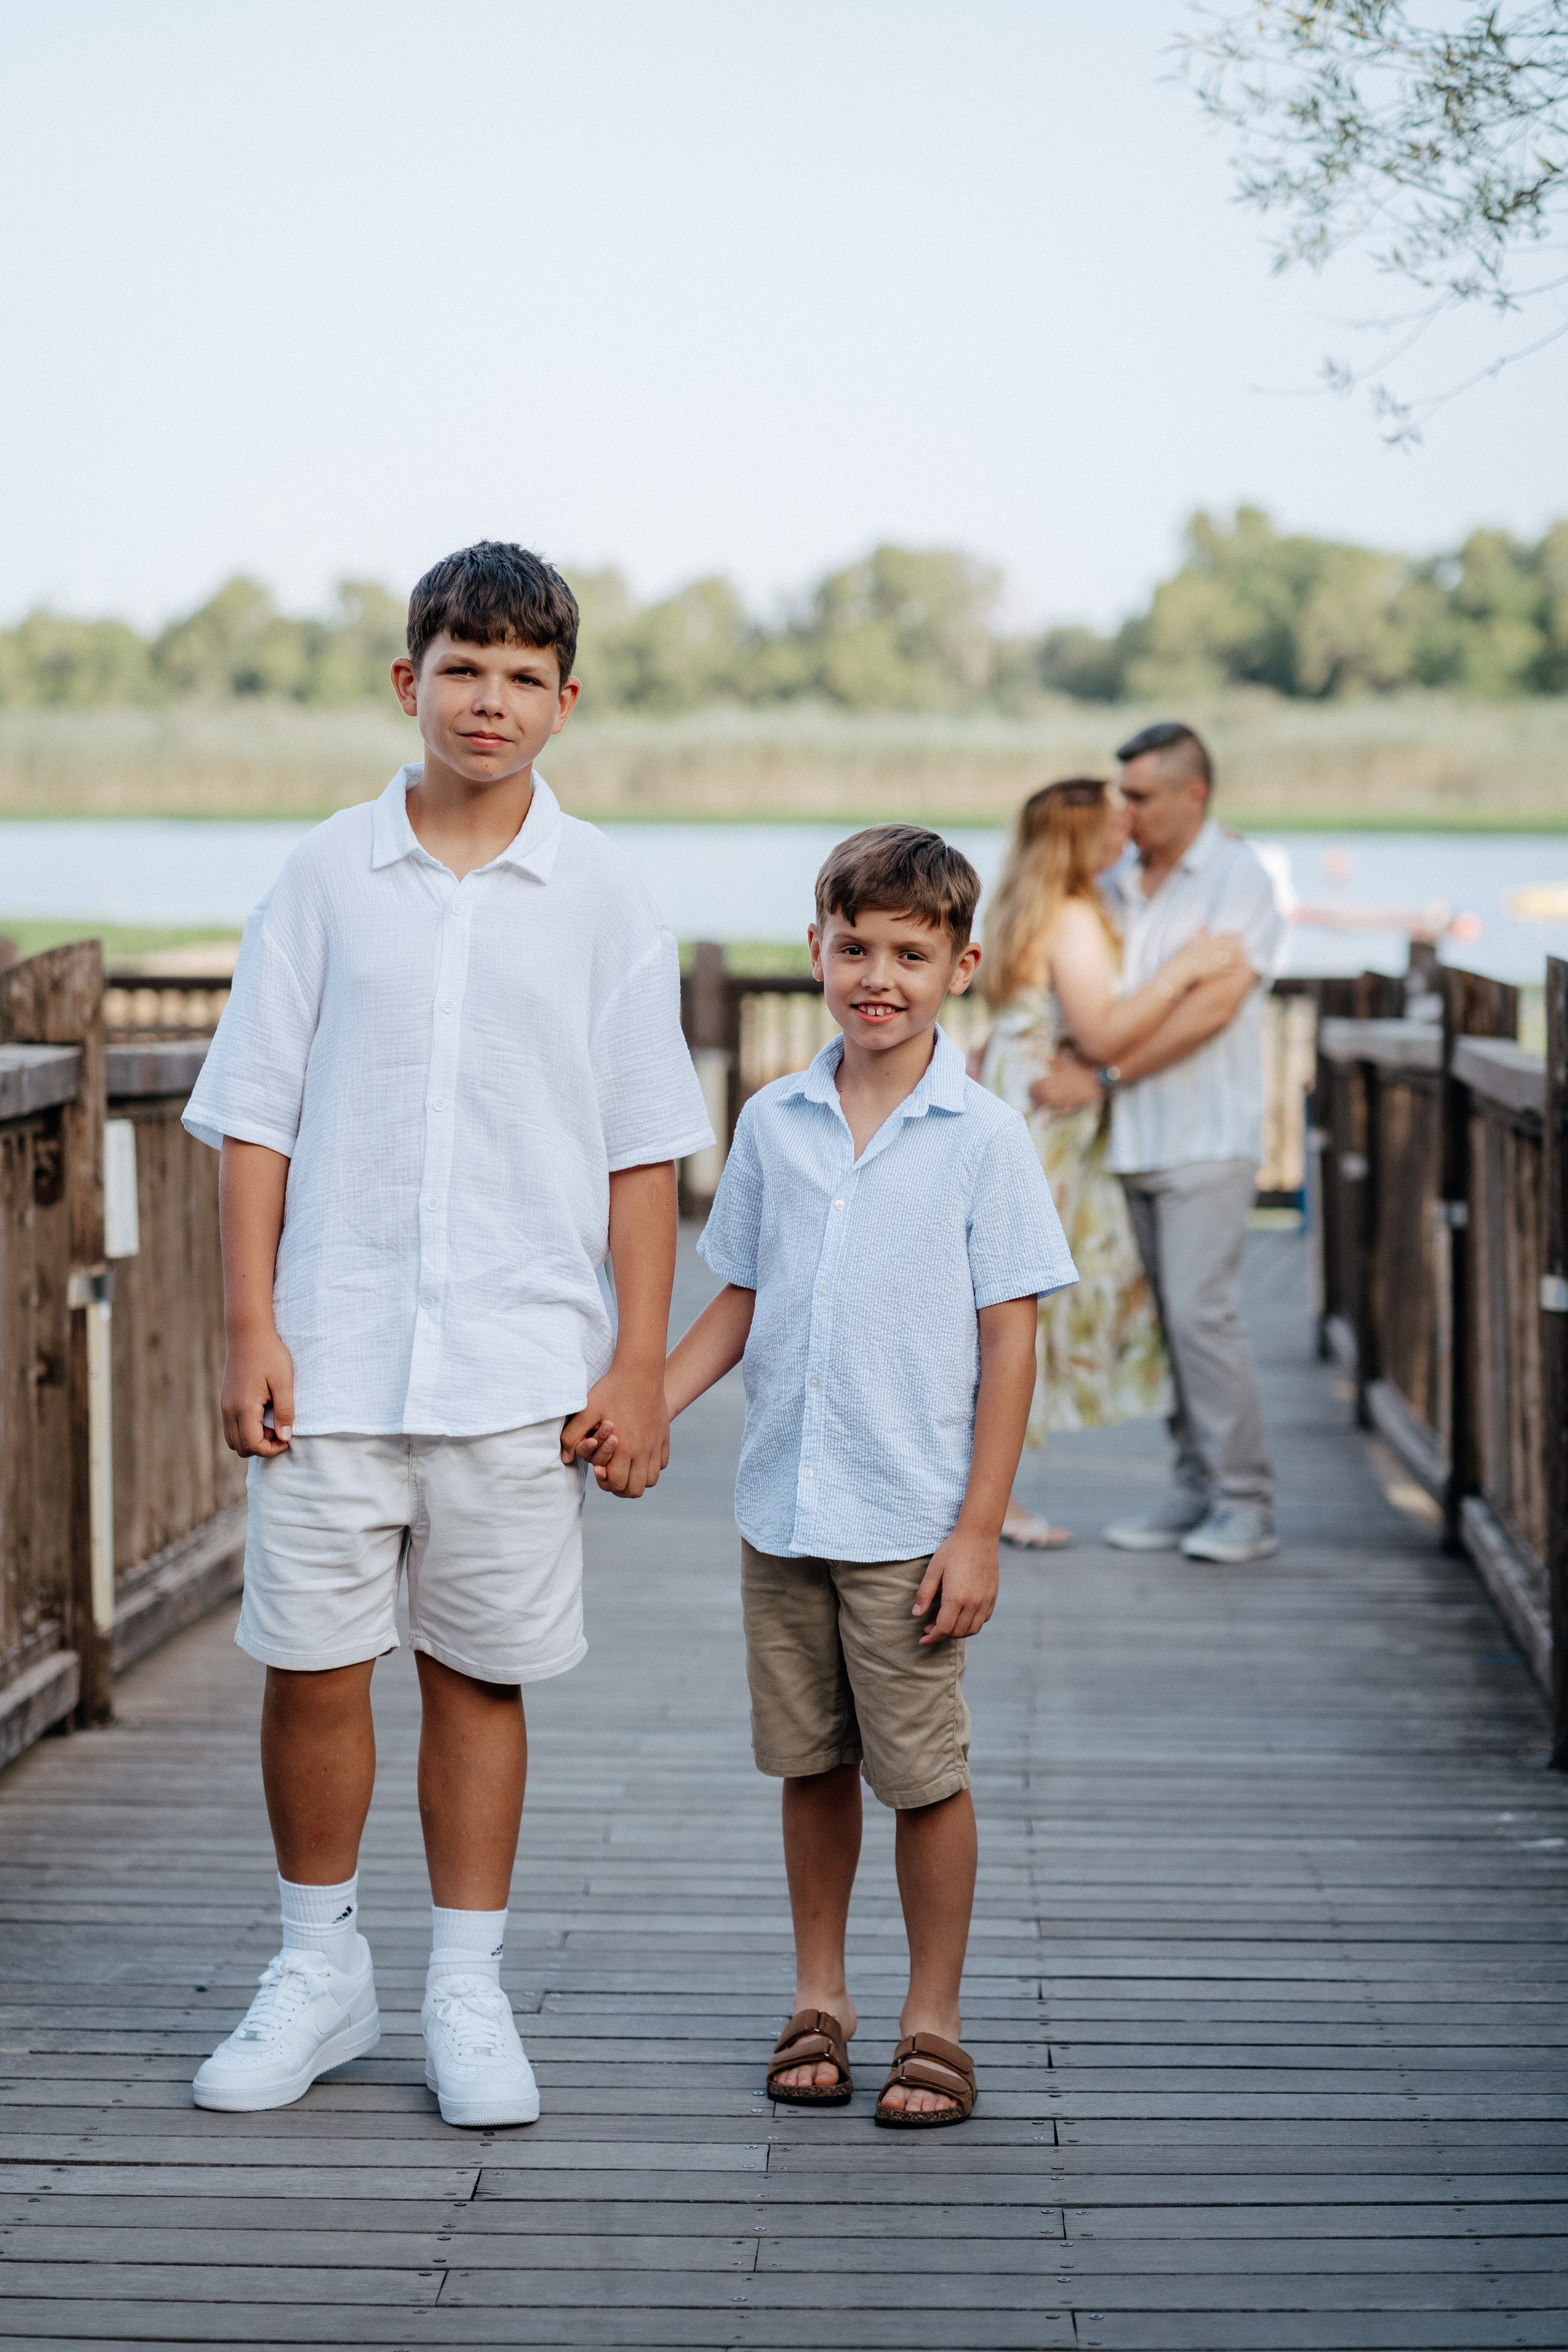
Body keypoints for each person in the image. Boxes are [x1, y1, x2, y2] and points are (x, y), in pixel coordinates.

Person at [179, 542, 712, 2128]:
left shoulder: (608, 893)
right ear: (410, 683)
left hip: (522, 1364)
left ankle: (465, 1988)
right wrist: (249, 1326)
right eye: (461, 670)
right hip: (334, 1349)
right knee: (312, 1665)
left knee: (481, 1674)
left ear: (566, 701)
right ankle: (318, 1966)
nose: (491, 701)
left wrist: (637, 1361)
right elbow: (254, 1117)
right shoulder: (326, 874)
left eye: (524, 677)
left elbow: (643, 1149)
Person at [635, 825, 1075, 2126]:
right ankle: (815, 1996)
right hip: (782, 1510)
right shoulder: (773, 1121)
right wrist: (642, 1401)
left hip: (908, 1517)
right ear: (815, 953)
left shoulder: (982, 1137)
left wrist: (979, 1527)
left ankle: (928, 2019)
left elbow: (1010, 1337)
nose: (875, 974)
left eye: (908, 953)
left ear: (961, 966)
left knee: (922, 1775)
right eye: (851, 947)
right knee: (808, 1762)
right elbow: (739, 1297)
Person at [1031, 723, 1286, 1564]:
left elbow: (1212, 1010)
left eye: (1139, 796)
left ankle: (1245, 1504)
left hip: (1204, 1138)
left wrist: (1104, 1077)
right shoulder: (1118, 882)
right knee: (1169, 1326)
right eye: (1122, 795)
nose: (1125, 810)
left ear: (1194, 796)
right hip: (1127, 1145)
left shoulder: (1240, 878)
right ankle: (1196, 1489)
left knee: (1202, 1319)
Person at [977, 777, 1248, 1547]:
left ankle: (987, 1491)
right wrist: (1185, 968)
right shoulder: (1069, 918)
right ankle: (991, 1499)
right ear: (1082, 840)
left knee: (1007, 1297)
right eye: (1111, 819)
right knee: (1027, 1300)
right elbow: (1098, 1034)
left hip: (1015, 1099)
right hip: (1046, 1123)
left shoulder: (1022, 905)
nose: (1125, 826)